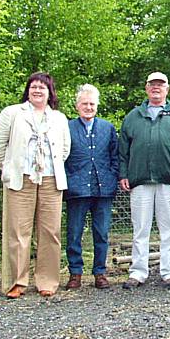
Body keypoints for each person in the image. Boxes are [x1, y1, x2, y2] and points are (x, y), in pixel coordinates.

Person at [0, 72, 71, 299]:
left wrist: (47, 167)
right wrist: (8, 168)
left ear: (49, 92)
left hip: (50, 180)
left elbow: (64, 149)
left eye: (42, 87)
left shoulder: (59, 118)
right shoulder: (13, 113)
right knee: (18, 231)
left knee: (50, 232)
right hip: (20, 179)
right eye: (34, 86)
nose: (37, 90)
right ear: (28, 90)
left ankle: (47, 281)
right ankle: (17, 282)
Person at [119, 72, 170, 290]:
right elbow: (122, 151)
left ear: (167, 89)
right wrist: (123, 174)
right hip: (140, 181)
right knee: (140, 230)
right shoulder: (132, 117)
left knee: (169, 230)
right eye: (152, 84)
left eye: (160, 84)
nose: (156, 88)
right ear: (146, 89)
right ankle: (137, 273)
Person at [64, 84, 119, 290]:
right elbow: (62, 156)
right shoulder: (67, 128)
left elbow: (115, 156)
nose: (89, 107)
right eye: (85, 104)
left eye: (92, 104)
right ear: (77, 106)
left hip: (103, 188)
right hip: (77, 189)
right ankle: (75, 273)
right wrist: (68, 179)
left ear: (97, 105)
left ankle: (100, 273)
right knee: (74, 232)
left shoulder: (107, 128)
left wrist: (113, 176)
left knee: (101, 232)